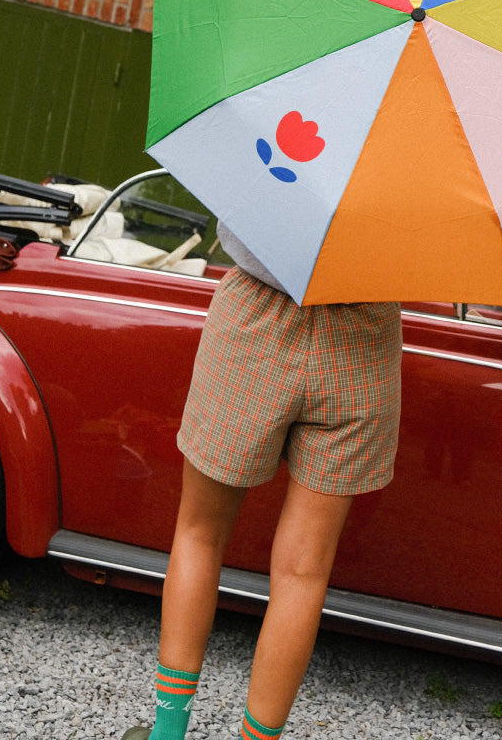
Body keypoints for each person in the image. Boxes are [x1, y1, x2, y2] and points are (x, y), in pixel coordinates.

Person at [123, 224, 403, 740]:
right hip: (363, 335)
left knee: (199, 534)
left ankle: (167, 734)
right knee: (303, 572)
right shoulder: (430, 156)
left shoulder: (263, 138)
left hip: (257, 314)